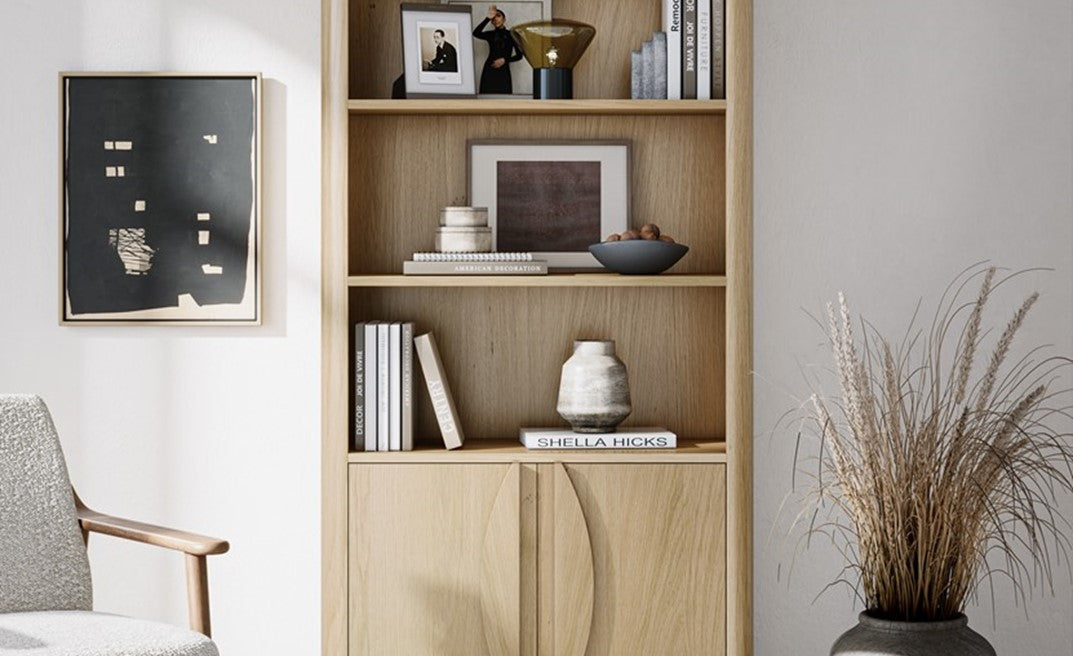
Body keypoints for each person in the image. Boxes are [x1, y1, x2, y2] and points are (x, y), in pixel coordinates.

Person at [472, 5, 522, 94]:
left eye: (498, 16)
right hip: (489, 69)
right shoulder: (490, 34)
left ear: (504, 19)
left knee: (504, 99)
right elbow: (476, 33)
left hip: (504, 70)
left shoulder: (512, 34)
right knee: (486, 98)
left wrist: (504, 60)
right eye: (493, 18)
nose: (495, 19)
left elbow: (519, 56)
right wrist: (487, 18)